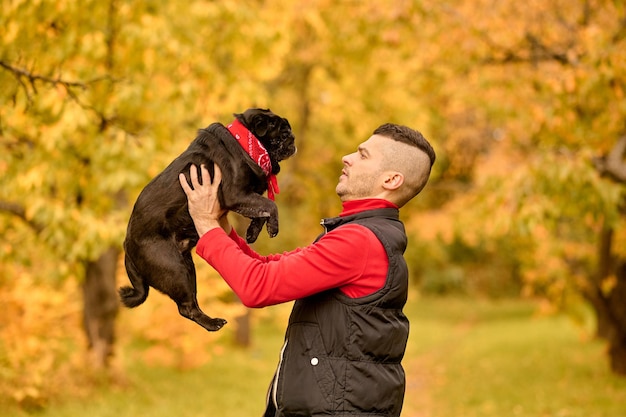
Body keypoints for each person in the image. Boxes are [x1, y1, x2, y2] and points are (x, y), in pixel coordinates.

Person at [179, 123, 436, 417]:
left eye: (363, 155)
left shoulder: (360, 241)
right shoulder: (360, 234)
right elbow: (268, 268)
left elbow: (257, 287)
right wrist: (221, 227)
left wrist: (206, 224)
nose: (347, 158)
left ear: (391, 179)